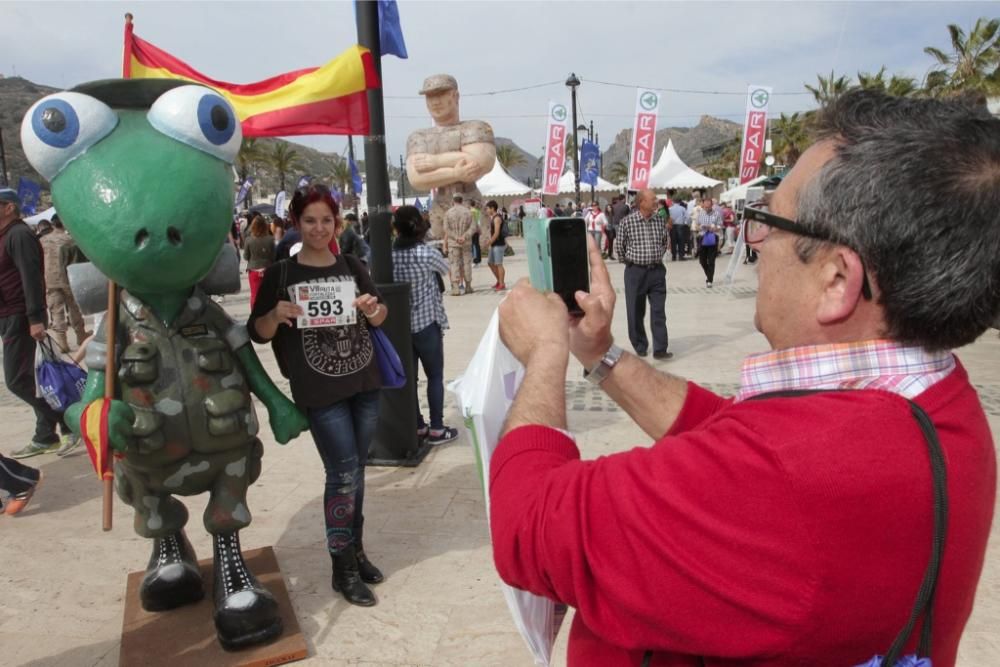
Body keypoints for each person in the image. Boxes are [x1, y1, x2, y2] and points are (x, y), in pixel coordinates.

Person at [489, 90, 999, 665]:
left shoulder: (794, 476)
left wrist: (547, 351)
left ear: (837, 279)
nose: (755, 245)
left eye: (766, 222)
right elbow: (730, 431)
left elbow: (527, 524)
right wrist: (601, 354)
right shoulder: (932, 393)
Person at [248, 184, 387, 607]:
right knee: (342, 473)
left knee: (357, 470)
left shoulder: (352, 265)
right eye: (310, 220)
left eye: (327, 220)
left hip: (364, 383)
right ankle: (341, 568)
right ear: (296, 223)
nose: (319, 228)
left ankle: (356, 551)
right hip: (319, 390)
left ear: (337, 223)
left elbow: (381, 318)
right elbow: (257, 332)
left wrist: (371, 309)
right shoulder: (281, 275)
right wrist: (275, 313)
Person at [0, 189, 79, 459]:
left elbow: (31, 278)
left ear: (9, 207)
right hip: (8, 315)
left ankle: (67, 421)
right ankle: (44, 435)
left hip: (20, 315)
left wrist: (35, 318)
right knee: (29, 378)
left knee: (15, 381)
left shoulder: (19, 235)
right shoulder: (5, 235)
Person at [391, 206, 458, 446]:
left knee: (410, 378)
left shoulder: (388, 255)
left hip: (400, 328)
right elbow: (446, 270)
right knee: (434, 377)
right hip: (427, 324)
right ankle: (437, 428)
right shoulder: (426, 254)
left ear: (395, 228)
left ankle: (418, 425)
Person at [405, 74, 496, 240]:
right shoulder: (418, 137)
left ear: (455, 96)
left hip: (470, 202)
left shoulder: (475, 128)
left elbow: (479, 162)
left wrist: (435, 161)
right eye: (430, 97)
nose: (435, 102)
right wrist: (456, 174)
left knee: (473, 249)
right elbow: (417, 178)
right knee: (444, 250)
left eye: (440, 94)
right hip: (440, 208)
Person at [614, 189, 672, 360]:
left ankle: (660, 348)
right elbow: (620, 248)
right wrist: (631, 263)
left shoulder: (659, 221)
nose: (656, 201)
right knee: (635, 311)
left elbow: (663, 242)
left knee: (658, 311)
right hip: (635, 272)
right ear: (642, 203)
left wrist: (655, 258)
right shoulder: (627, 222)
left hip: (656, 272)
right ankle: (640, 344)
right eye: (653, 199)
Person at [39, 215, 91, 353]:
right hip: (69, 279)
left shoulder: (42, 240)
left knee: (56, 311)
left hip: (49, 280)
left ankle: (62, 343)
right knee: (74, 308)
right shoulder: (71, 240)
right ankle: (81, 336)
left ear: (53, 224)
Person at [443, 194, 475, 296]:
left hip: (453, 243)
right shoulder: (468, 212)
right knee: (467, 264)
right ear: (462, 200)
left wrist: (456, 237)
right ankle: (468, 286)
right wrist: (464, 236)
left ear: (453, 201)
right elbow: (473, 227)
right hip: (466, 242)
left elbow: (446, 229)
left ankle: (456, 288)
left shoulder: (448, 213)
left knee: (454, 264)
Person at [243, 212, 275, 308]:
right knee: (268, 295)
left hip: (254, 270)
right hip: (268, 269)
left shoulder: (249, 240)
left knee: (255, 295)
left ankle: (255, 314)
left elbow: (245, 256)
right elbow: (273, 256)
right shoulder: (270, 239)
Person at [483, 200, 507, 291]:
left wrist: (489, 242)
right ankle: (499, 280)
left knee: (498, 264)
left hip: (499, 244)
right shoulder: (493, 217)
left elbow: (496, 233)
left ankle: (502, 283)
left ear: (492, 208)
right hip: (494, 244)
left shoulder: (497, 218)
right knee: (490, 263)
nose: (487, 210)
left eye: (488, 208)